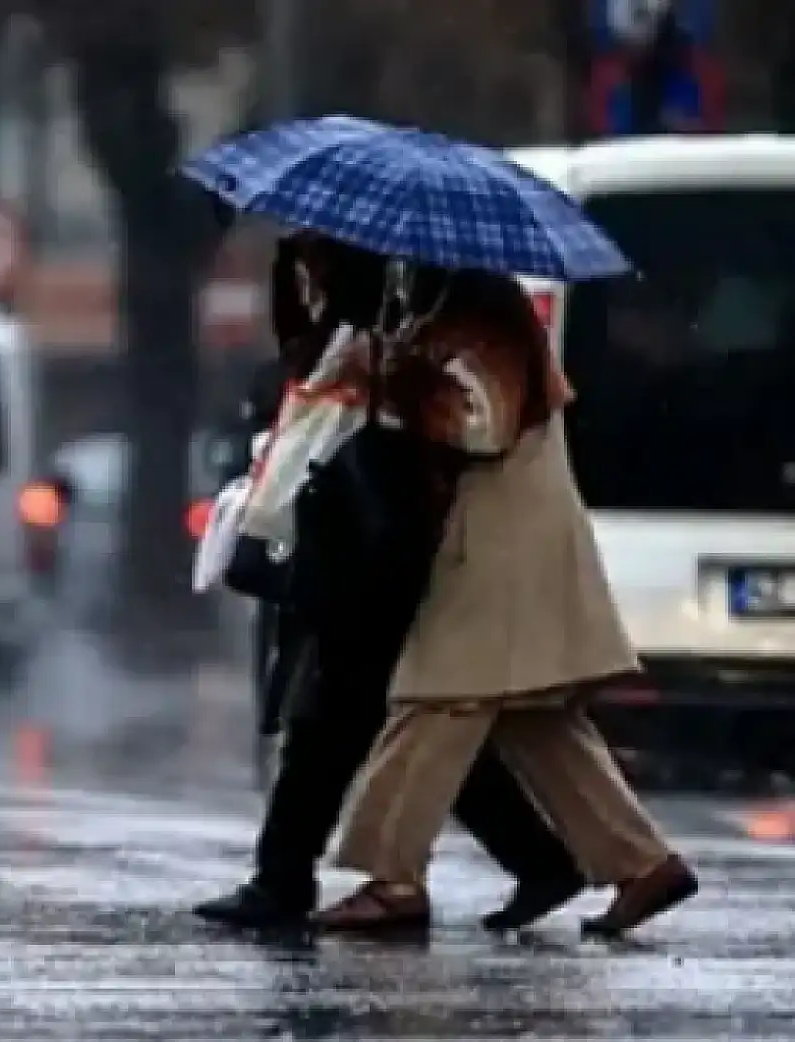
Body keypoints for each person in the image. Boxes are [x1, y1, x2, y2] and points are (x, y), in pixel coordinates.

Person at [194, 235, 585, 932]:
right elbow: (309, 374)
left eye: (320, 257)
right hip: (357, 530)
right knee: (387, 719)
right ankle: (533, 858)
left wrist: (394, 378)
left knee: (345, 716)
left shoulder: (469, 307)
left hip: (393, 537)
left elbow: (478, 421)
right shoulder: (392, 305)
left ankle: (290, 877)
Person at [314, 263, 698, 937]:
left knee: (434, 699)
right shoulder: (455, 312)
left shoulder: (485, 317)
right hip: (509, 532)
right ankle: (643, 864)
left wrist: (391, 380)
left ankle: (392, 877)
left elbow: (482, 427)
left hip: (500, 540)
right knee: (535, 716)